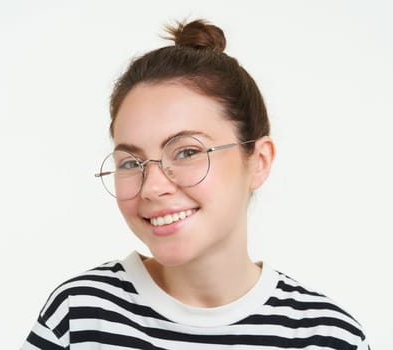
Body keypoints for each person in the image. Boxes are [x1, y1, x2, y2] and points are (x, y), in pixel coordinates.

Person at [22, 19, 368, 349]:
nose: (152, 187)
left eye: (187, 151)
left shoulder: (328, 337)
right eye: (131, 162)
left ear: (259, 162)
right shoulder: (80, 317)